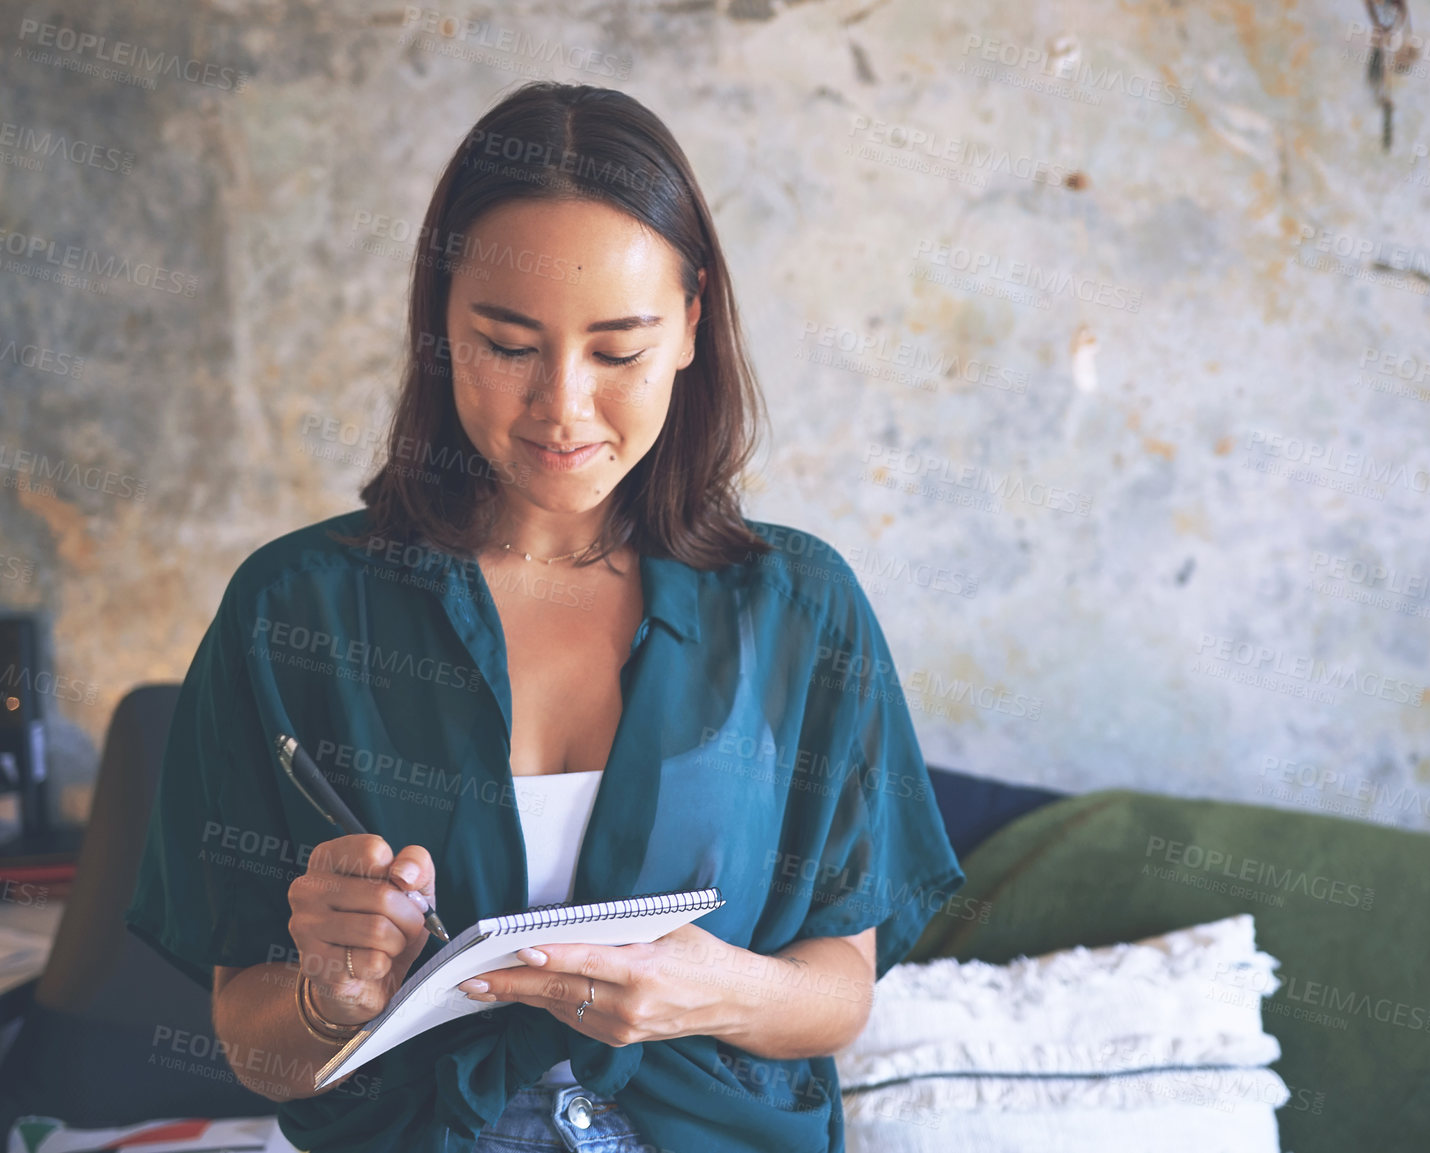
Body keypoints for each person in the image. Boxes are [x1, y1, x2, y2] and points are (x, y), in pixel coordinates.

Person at [123, 81, 965, 1153]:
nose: (562, 407)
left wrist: (709, 993)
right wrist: (329, 1000)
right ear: (440, 325)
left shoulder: (799, 607)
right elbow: (251, 1043)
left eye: (618, 350)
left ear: (694, 321)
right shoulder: (294, 608)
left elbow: (840, 990)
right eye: (508, 345)